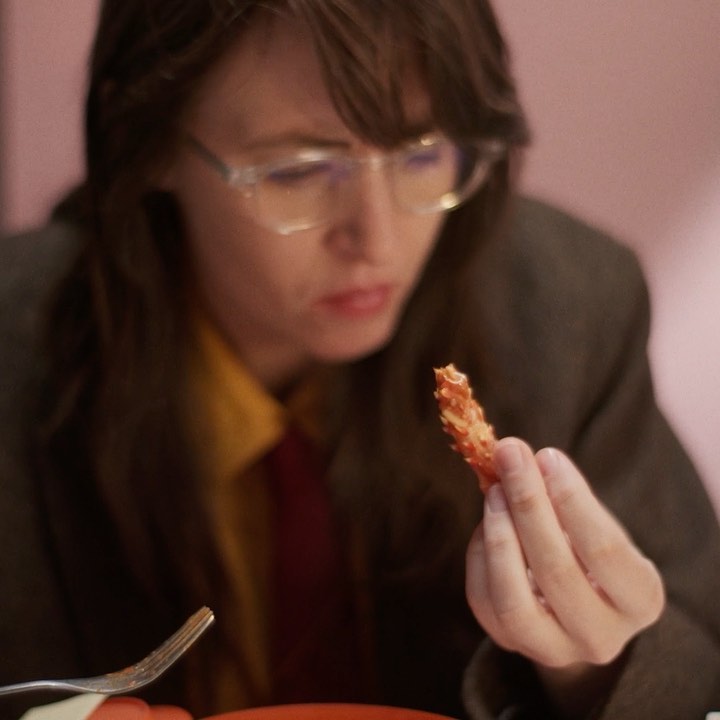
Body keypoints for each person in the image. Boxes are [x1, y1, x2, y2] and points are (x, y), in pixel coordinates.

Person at [1, 1, 719, 718]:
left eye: (423, 155)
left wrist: (594, 668)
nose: (378, 240)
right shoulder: (15, 349)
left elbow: (699, 655)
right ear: (149, 140)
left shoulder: (567, 308)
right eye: (298, 171)